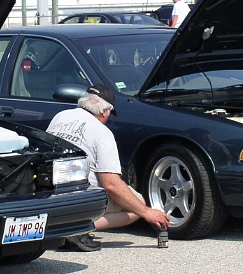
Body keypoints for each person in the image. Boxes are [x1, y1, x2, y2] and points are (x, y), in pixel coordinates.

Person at [46, 84, 170, 251]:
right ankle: (78, 228)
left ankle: (62, 225)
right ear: (104, 111)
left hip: (52, 194)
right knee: (137, 204)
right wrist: (147, 212)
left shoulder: (60, 117)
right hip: (81, 196)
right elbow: (110, 184)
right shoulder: (101, 132)